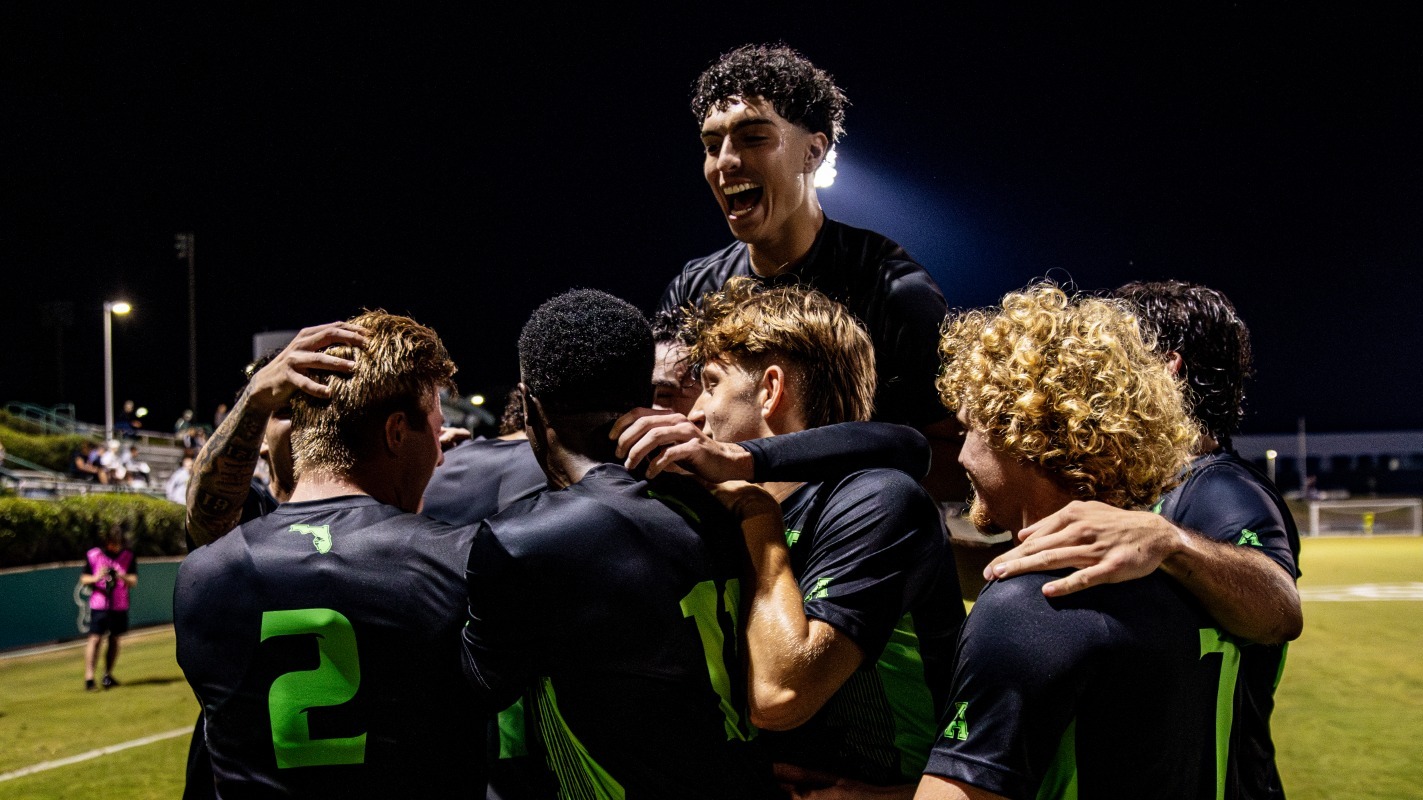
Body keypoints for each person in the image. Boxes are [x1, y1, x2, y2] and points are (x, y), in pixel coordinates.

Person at [626, 278, 962, 794]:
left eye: (712, 384)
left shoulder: (877, 500)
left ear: (770, 390)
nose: (694, 412)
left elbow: (781, 694)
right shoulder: (728, 505)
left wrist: (756, 510)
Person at [983, 280, 1302, 799]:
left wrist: (1171, 540)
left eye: (1117, 348)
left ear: (1166, 366)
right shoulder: (1143, 486)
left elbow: (1280, 607)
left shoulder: (1220, 486)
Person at [461, 289, 778, 798]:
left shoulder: (524, 539)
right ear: (640, 393)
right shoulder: (720, 500)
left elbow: (483, 683)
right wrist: (749, 460)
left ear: (533, 405)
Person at [917, 283, 1227, 800]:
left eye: (968, 427)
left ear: (1021, 434)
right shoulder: (1170, 580)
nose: (961, 454)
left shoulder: (1032, 606)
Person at [174, 310, 485, 797]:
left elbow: (206, 520)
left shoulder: (207, 570)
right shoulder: (456, 560)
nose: (443, 453)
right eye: (434, 430)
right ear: (396, 432)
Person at [659, 43, 969, 514]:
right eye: (711, 145)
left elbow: (951, 458)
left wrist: (817, 505)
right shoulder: (694, 289)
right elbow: (676, 422)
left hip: (846, 539)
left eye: (753, 138)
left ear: (813, 151)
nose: (724, 161)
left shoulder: (894, 289)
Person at [82, 525, 137, 691]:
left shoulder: (128, 556)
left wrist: (120, 575)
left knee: (114, 638)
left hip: (119, 604)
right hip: (100, 603)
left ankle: (108, 675)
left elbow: (133, 580)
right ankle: (89, 678)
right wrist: (97, 577)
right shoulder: (94, 555)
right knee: (95, 638)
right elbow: (84, 578)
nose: (115, 546)